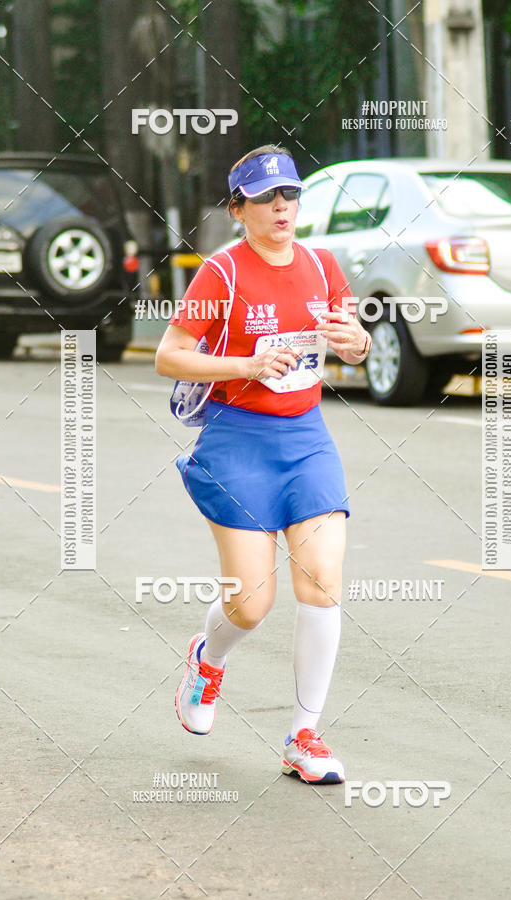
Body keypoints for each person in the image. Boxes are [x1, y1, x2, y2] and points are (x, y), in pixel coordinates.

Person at [155, 145, 372, 784]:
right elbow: (170, 355)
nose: (282, 206)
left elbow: (354, 344)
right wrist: (244, 366)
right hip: (237, 437)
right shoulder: (220, 274)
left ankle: (304, 735)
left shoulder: (322, 265)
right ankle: (207, 657)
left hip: (305, 436)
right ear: (238, 209)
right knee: (251, 603)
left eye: (291, 195)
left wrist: (353, 342)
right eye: (266, 198)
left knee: (322, 579)